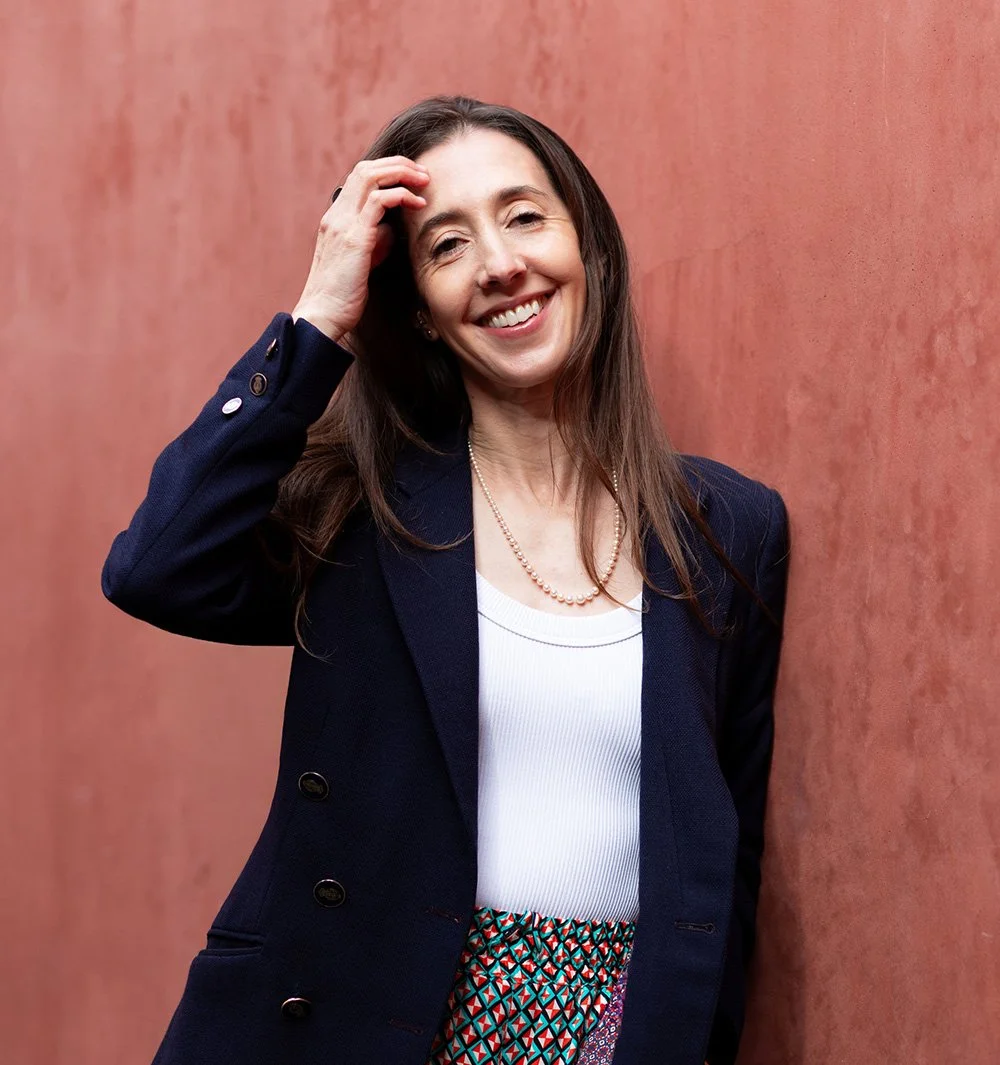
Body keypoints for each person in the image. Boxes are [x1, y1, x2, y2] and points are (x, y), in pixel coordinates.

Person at [102, 95, 789, 1065]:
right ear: (418, 311)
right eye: (446, 246)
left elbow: (729, 850)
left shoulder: (725, 529)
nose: (500, 264)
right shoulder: (365, 508)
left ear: (586, 247)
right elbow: (158, 569)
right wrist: (317, 324)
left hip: (606, 1030)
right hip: (362, 1009)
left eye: (523, 216)